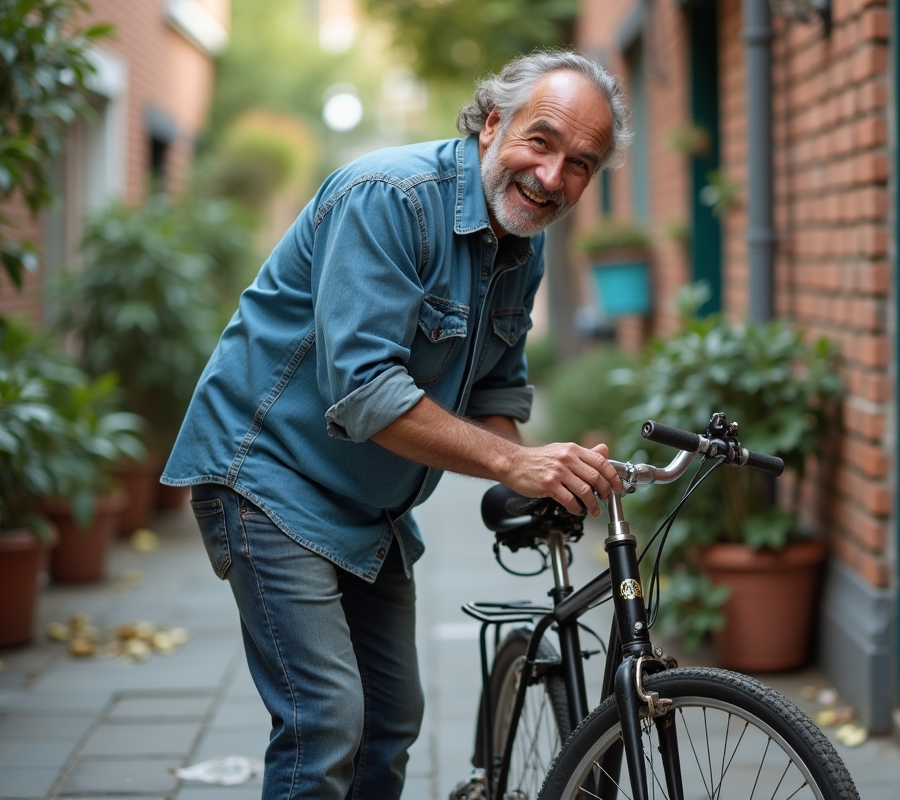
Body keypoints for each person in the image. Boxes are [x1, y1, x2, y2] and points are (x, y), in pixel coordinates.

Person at [161, 50, 632, 799]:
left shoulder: (522, 245)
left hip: (368, 506)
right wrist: (514, 467)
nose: (552, 177)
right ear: (489, 125)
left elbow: (496, 394)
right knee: (326, 722)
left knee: (391, 721)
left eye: (581, 163)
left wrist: (548, 466)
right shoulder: (389, 196)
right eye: (540, 141)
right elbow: (365, 392)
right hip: (268, 475)